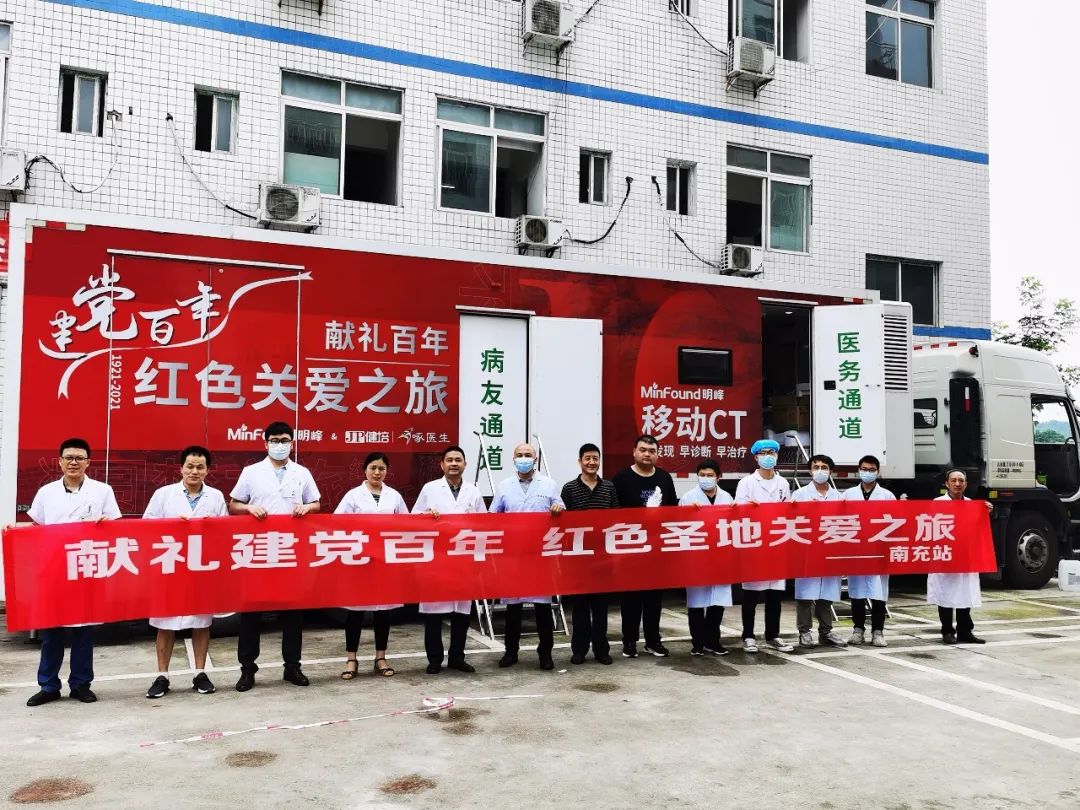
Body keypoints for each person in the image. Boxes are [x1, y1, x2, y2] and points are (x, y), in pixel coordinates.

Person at [25, 438, 122, 707]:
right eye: (69, 457)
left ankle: (80, 684)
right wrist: (14, 532)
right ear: (60, 461)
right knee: (52, 631)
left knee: (84, 632)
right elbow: (36, 528)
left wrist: (105, 525)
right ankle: (48, 686)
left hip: (86, 568)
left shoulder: (102, 491)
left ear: (88, 462)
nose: (74, 462)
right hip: (54, 570)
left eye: (79, 458)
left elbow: (117, 528)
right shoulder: (46, 492)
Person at [229, 421, 321, 692]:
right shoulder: (251, 472)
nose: (279, 445)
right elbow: (233, 504)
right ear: (265, 443)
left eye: (284, 440)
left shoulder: (302, 472)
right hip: (258, 549)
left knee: (293, 612)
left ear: (292, 443)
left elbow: (316, 503)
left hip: (290, 550)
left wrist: (307, 508)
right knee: (251, 612)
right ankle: (247, 669)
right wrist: (249, 509)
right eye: (275, 440)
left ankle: (292, 666)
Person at [143, 446, 229, 699]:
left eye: (200, 467)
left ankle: (200, 673)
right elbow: (146, 527)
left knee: (201, 622)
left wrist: (213, 527)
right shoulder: (163, 494)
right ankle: (162, 676)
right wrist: (171, 525)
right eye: (190, 466)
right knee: (165, 623)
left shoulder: (215, 496)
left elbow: (225, 531)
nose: (194, 471)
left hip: (201, 568)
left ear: (207, 470)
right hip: (170, 565)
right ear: (181, 468)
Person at [491, 442, 565, 670]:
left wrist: (558, 508)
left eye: (528, 455)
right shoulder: (504, 486)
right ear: (513, 459)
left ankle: (545, 653)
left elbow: (561, 508)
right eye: (519, 455)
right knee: (513, 609)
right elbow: (493, 516)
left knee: (542, 609)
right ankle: (510, 652)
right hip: (513, 556)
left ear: (535, 459)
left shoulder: (549, 484)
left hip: (539, 556)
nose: (523, 458)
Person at [414, 445, 487, 675]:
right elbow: (413, 517)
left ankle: (457, 657)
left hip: (464, 558)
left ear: (465, 464)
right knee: (433, 613)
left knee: (461, 613)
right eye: (449, 460)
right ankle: (434, 659)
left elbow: (485, 523)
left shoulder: (473, 491)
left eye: (458, 460)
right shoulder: (430, 489)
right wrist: (426, 516)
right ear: (442, 465)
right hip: (436, 558)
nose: (454, 464)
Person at [335, 452, 408, 679]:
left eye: (381, 469)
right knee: (355, 612)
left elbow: (407, 523)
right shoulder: (352, 495)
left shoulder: (394, 496)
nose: (377, 472)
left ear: (387, 471)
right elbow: (337, 522)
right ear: (365, 470)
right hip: (359, 562)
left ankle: (380, 657)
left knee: (382, 612)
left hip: (385, 562)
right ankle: (351, 659)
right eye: (373, 468)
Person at [612, 434, 677, 658]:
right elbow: (612, 513)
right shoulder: (621, 478)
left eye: (651, 451)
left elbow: (673, 510)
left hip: (656, 549)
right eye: (643, 450)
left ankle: (653, 641)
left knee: (653, 599)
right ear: (634, 452)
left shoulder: (664, 478)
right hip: (630, 548)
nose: (647, 454)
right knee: (630, 599)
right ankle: (629, 642)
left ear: (657, 454)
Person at [560, 443, 620, 665]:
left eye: (595, 458)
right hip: (578, 558)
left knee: (601, 608)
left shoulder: (609, 487)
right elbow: (562, 521)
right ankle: (579, 650)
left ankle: (601, 650)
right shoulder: (569, 488)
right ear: (580, 461)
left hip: (603, 557)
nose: (592, 462)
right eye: (587, 458)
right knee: (580, 608)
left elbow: (617, 518)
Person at [735, 439, 794, 654]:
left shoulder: (783, 483)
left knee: (774, 595)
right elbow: (737, 511)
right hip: (755, 545)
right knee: (751, 595)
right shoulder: (747, 483)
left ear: (777, 456)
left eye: (772, 453)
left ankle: (773, 635)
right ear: (756, 457)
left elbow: (787, 512)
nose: (768, 456)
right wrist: (750, 509)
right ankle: (748, 636)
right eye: (764, 453)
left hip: (776, 544)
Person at [791, 455, 848, 649]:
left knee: (827, 593)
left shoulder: (838, 497)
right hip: (807, 550)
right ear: (810, 471)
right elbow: (790, 521)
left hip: (830, 550)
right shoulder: (800, 494)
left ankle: (826, 632)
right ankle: (804, 631)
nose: (820, 470)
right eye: (816, 467)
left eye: (824, 467)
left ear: (831, 471)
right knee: (806, 594)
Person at [928, 469, 990, 645]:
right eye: (953, 480)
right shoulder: (937, 503)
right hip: (945, 554)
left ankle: (965, 631)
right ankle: (947, 631)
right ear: (947, 484)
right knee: (945, 591)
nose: (957, 484)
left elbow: (979, 530)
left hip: (965, 555)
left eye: (961, 481)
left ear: (966, 484)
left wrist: (986, 513)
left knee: (965, 592)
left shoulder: (972, 505)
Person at [679, 459, 733, 656]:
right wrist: (689, 513)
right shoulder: (688, 498)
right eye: (702, 475)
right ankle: (698, 643)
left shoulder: (727, 498)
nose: (706, 478)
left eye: (710, 475)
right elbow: (679, 527)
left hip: (720, 557)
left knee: (717, 601)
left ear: (719, 477)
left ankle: (713, 640)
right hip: (697, 557)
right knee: (696, 603)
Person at [842, 454, 895, 648]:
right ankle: (858, 630)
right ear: (858, 471)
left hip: (878, 550)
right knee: (856, 591)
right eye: (864, 469)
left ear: (878, 472)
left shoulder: (887, 495)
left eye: (872, 470)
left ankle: (878, 631)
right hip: (856, 549)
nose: (868, 473)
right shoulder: (848, 495)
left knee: (879, 592)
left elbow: (896, 521)